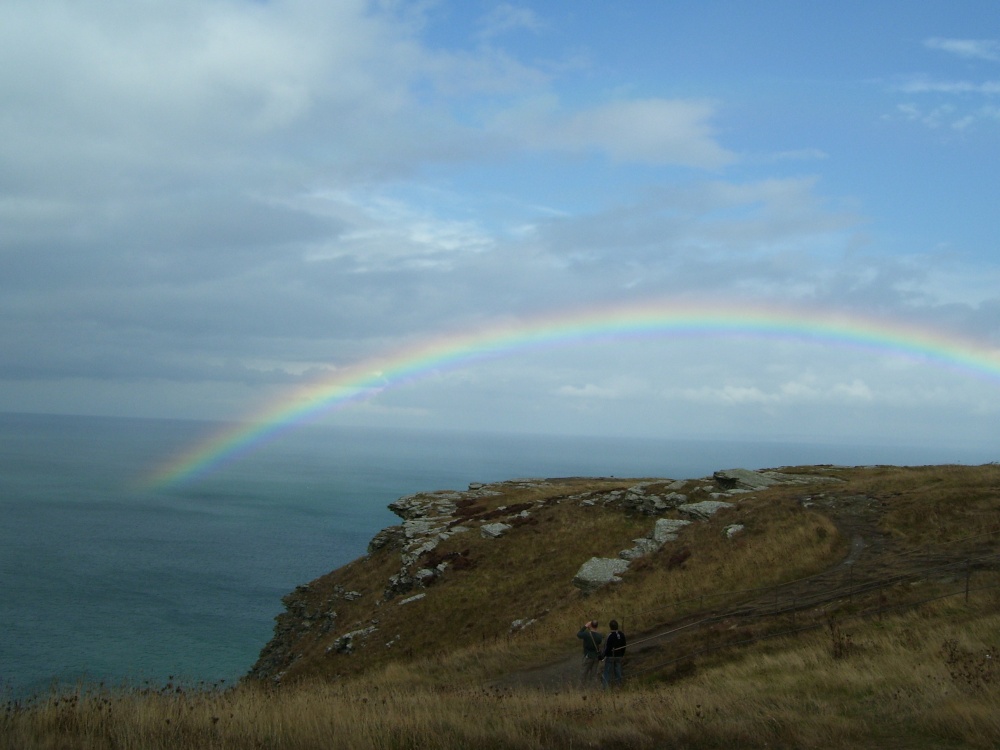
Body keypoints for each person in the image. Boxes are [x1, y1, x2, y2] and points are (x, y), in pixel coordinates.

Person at [576, 620, 603, 685]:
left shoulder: (586, 634)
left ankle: (580, 690)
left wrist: (585, 626)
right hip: (596, 656)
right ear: (597, 626)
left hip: (588, 656)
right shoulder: (599, 636)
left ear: (590, 625)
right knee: (593, 675)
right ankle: (593, 690)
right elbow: (599, 642)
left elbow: (578, 634)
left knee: (583, 674)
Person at [602, 619, 626, 688]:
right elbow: (624, 645)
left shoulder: (609, 636)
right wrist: (622, 654)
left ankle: (605, 687)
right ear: (617, 626)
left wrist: (603, 656)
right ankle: (619, 685)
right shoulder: (622, 634)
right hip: (619, 655)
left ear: (610, 627)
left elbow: (607, 647)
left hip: (610, 656)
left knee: (607, 671)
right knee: (618, 671)